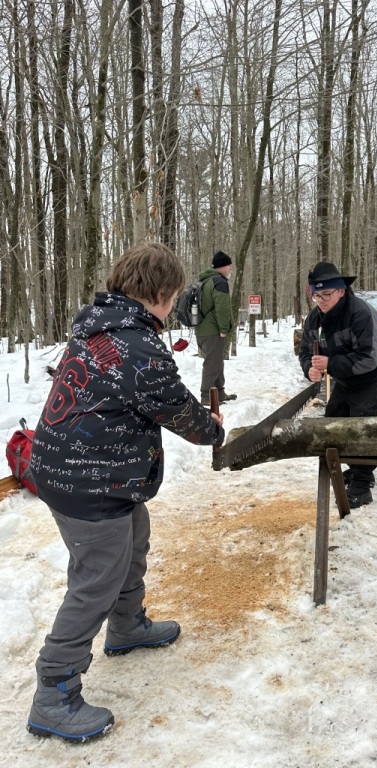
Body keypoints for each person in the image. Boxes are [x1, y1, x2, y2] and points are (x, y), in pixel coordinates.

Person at [27, 242, 225, 742]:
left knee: (134, 539)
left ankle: (127, 625)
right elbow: (178, 411)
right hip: (86, 479)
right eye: (174, 297)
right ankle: (54, 692)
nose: (173, 306)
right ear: (161, 293)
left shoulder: (101, 325)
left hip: (94, 470)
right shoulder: (135, 344)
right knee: (97, 578)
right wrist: (213, 428)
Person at [299, 262, 377, 509]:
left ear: (341, 291)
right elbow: (305, 351)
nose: (321, 300)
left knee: (363, 421)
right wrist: (310, 368)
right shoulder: (315, 319)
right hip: (347, 374)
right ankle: (357, 468)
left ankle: (362, 484)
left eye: (326, 294)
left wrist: (330, 363)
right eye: (316, 295)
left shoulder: (360, 313)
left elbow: (369, 358)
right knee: (335, 417)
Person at [194, 250, 236, 405]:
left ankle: (219, 392)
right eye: (229, 266)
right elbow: (222, 308)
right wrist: (224, 329)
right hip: (213, 330)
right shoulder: (219, 283)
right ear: (222, 267)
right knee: (212, 363)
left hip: (203, 329)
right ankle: (206, 396)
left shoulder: (206, 280)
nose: (231, 269)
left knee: (216, 361)